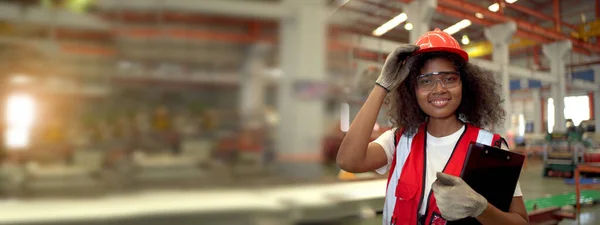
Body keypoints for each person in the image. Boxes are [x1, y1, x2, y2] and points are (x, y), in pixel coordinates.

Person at [336, 28, 528, 225]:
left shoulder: (490, 146)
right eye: (426, 81)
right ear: (413, 91)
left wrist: (481, 209)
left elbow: (520, 222)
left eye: (449, 79)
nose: (439, 90)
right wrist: (382, 86)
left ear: (465, 84)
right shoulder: (400, 140)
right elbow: (348, 161)